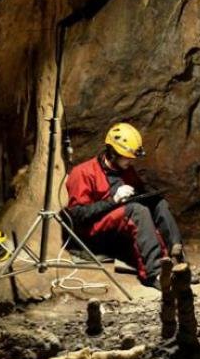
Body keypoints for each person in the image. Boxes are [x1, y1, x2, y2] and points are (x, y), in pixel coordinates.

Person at [63, 123, 182, 289]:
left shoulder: (127, 170)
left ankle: (178, 262)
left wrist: (149, 198)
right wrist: (114, 200)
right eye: (127, 156)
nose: (131, 160)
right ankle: (155, 273)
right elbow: (77, 215)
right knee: (137, 211)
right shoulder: (83, 172)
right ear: (112, 153)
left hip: (121, 227)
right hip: (94, 234)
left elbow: (139, 196)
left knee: (159, 204)